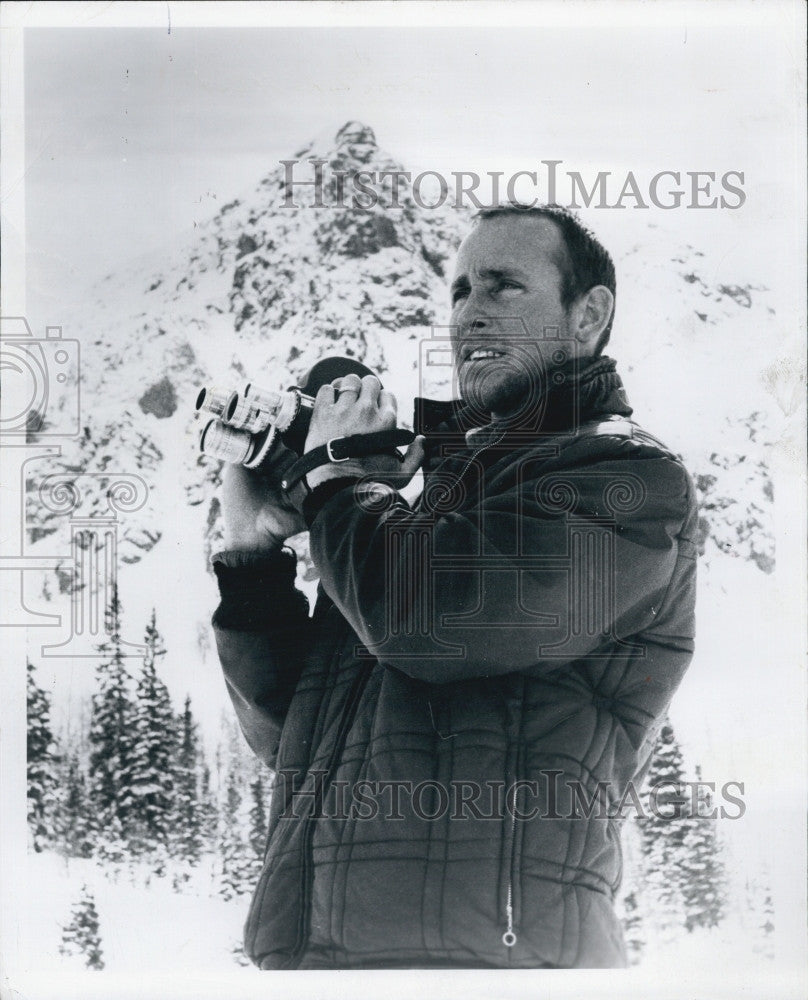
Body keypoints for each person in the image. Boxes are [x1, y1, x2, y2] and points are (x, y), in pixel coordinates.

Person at [210, 204, 698, 969]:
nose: (470, 312)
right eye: (461, 291)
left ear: (588, 314)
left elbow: (426, 624)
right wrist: (252, 564)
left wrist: (336, 481)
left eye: (504, 286)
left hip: (495, 963)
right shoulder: (418, 516)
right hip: (316, 961)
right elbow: (292, 739)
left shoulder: (627, 478)